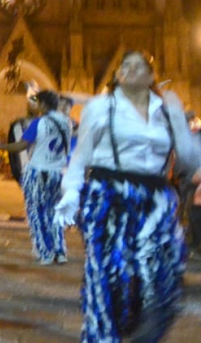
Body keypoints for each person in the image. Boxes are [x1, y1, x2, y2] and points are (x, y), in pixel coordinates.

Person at [56, 50, 201, 343]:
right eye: (126, 65)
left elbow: (187, 156)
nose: (132, 69)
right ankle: (102, 335)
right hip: (109, 196)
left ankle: (142, 331)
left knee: (163, 277)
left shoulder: (165, 108)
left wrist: (178, 116)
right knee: (108, 276)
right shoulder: (100, 107)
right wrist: (70, 193)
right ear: (117, 75)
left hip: (156, 199)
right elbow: (81, 156)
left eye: (140, 66)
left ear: (151, 77)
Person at [0, 89, 71, 264]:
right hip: (58, 173)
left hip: (38, 173)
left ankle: (45, 253)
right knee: (54, 213)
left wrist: (0, 145)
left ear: (42, 104)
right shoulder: (67, 123)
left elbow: (20, 146)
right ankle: (60, 251)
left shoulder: (38, 123)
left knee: (37, 213)